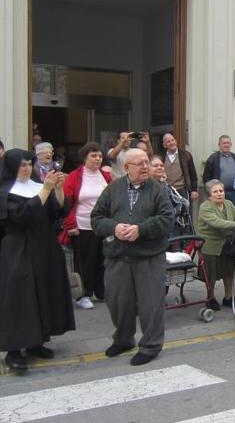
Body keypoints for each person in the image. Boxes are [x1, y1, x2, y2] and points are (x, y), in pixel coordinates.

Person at [0, 149, 75, 370]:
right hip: (18, 248)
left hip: (44, 246)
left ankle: (37, 341)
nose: (26, 169)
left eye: (28, 164)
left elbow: (59, 211)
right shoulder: (4, 192)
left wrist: (58, 189)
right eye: (22, 165)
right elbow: (23, 216)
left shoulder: (38, 186)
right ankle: (13, 350)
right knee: (19, 297)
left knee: (43, 291)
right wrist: (45, 189)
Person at [91, 148, 174, 366]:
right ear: (127, 167)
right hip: (118, 256)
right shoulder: (113, 189)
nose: (146, 166)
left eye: (147, 162)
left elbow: (167, 219)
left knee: (151, 305)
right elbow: (97, 218)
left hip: (149, 257)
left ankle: (151, 345)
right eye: (140, 163)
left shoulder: (157, 190)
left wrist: (141, 229)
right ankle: (124, 339)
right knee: (118, 302)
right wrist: (114, 227)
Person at [61, 142, 112, 309]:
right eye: (93, 156)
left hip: (102, 226)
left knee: (101, 260)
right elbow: (66, 204)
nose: (97, 159)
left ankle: (100, 291)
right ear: (84, 158)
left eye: (99, 156)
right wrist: (70, 225)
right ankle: (83, 294)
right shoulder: (74, 177)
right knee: (84, 262)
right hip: (82, 226)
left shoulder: (105, 176)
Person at [197, 180, 235, 310]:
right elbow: (217, 223)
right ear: (209, 195)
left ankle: (228, 297)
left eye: (221, 191)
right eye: (215, 191)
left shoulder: (228, 203)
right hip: (210, 245)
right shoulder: (205, 207)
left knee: (229, 272)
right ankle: (210, 298)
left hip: (228, 244)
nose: (219, 194)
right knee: (211, 275)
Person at [149, 155, 190, 237]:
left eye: (161, 165)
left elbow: (185, 204)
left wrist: (170, 214)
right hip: (153, 232)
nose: (159, 167)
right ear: (147, 168)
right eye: (155, 166)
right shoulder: (145, 187)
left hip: (171, 230)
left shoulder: (166, 186)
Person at [203, 135, 235, 214]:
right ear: (219, 145)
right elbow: (206, 177)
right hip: (219, 193)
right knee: (220, 213)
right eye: (224, 143)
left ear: (231, 145)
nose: (226, 145)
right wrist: (211, 192)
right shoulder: (213, 158)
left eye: (228, 143)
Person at [162, 132, 199, 202]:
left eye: (172, 140)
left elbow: (193, 174)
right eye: (168, 141)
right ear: (164, 145)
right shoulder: (161, 157)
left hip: (182, 190)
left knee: (185, 211)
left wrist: (194, 190)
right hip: (166, 190)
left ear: (175, 141)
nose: (171, 143)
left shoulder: (186, 155)